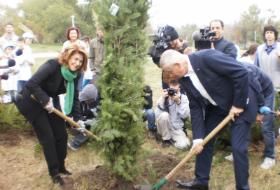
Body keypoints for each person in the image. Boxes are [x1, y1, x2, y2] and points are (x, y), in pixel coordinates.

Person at [160, 49, 258, 190]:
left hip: (242, 102)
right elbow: (195, 107)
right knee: (203, 141)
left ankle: (242, 187)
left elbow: (241, 72)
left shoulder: (207, 58)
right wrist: (197, 139)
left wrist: (238, 104)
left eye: (171, 73)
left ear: (178, 64)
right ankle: (201, 182)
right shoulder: (184, 78)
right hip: (218, 107)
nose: (172, 77)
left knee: (237, 148)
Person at [14, 45, 87, 185]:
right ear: (68, 56)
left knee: (62, 135)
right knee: (48, 137)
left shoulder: (76, 74)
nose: (77, 63)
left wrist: (78, 119)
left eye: (80, 62)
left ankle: (61, 166)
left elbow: (75, 97)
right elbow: (31, 83)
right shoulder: (53, 65)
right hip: (32, 100)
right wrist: (44, 100)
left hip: (51, 100)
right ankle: (54, 173)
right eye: (75, 59)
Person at [224, 63, 275, 168]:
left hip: (265, 92)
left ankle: (270, 156)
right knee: (242, 121)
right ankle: (239, 152)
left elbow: (258, 91)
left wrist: (260, 111)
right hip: (248, 93)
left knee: (266, 126)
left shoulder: (246, 71)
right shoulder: (224, 72)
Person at [254, 25, 280, 168]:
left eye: (271, 32)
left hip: (277, 88)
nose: (269, 35)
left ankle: (270, 156)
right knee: (267, 122)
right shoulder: (259, 49)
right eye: (267, 32)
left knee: (268, 124)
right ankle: (268, 151)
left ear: (275, 35)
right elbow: (256, 69)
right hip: (262, 89)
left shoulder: (279, 48)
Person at [155, 80, 191, 149]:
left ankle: (171, 141)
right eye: (171, 89)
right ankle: (166, 139)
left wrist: (178, 102)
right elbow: (157, 115)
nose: (172, 92)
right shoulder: (164, 97)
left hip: (176, 129)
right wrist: (163, 99)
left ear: (179, 89)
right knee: (164, 115)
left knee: (185, 145)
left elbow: (185, 115)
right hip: (164, 128)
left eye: (175, 90)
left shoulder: (184, 98)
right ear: (168, 88)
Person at [68, 83, 99, 151]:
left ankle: (75, 144)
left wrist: (91, 122)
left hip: (96, 119)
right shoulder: (81, 98)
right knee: (81, 124)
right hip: (86, 117)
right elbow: (77, 111)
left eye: (87, 101)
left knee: (90, 128)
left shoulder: (97, 99)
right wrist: (80, 120)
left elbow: (99, 116)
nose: (85, 101)